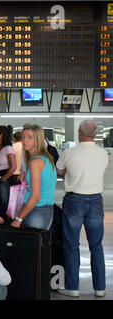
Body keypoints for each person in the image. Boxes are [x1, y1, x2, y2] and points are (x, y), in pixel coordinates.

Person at [55, 120, 108, 298]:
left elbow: (60, 170)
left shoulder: (69, 152)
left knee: (71, 245)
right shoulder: (103, 154)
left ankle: (73, 287)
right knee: (96, 246)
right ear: (95, 134)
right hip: (96, 201)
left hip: (74, 201)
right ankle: (100, 288)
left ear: (79, 133)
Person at [10, 124, 57, 230]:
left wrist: (18, 219)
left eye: (30, 137)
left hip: (37, 209)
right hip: (45, 209)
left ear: (38, 139)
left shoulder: (35, 161)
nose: (25, 140)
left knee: (30, 245)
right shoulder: (45, 158)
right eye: (23, 136)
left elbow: (35, 196)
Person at [0, 125, 17, 208]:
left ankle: (7, 219)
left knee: (5, 202)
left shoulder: (8, 148)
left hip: (5, 178)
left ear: (2, 135)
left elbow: (13, 167)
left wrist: (3, 178)